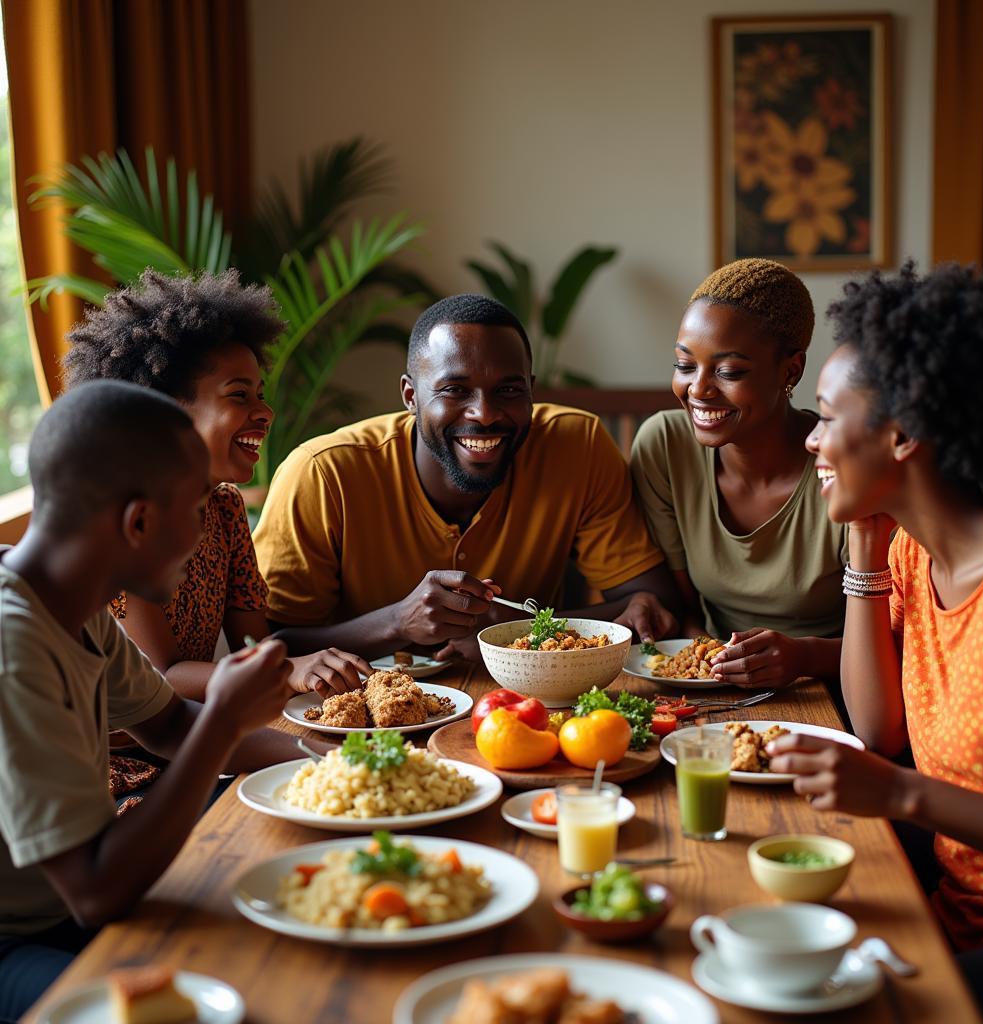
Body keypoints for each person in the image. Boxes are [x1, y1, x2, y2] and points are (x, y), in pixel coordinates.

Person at [0, 381, 330, 1020]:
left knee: (276, 945)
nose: (205, 529)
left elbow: (172, 724)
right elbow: (96, 892)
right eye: (197, 506)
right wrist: (228, 718)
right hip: (19, 939)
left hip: (71, 909)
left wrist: (330, 765)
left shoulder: (75, 603)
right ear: (139, 521)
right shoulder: (15, 648)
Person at [765, 263, 983, 1023]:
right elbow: (878, 731)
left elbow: (889, 769)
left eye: (824, 416)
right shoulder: (912, 553)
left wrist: (901, 793)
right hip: (955, 904)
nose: (810, 439)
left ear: (903, 434)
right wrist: (866, 555)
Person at [253, 293, 680, 660]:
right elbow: (264, 645)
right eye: (454, 390)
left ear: (531, 390)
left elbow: (651, 606)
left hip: (526, 707)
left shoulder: (577, 446)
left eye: (509, 390)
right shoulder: (323, 473)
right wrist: (398, 622)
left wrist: (519, 629)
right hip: (362, 719)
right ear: (410, 396)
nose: (485, 413)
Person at [62, 270, 370, 701]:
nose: (266, 413)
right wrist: (287, 671)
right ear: (166, 412)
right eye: (239, 395)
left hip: (196, 730)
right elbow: (162, 676)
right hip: (118, 757)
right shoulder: (127, 521)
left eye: (260, 395)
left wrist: (308, 666)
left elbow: (253, 650)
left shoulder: (224, 508)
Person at [630, 258, 846, 687]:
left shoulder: (840, 466)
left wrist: (803, 656)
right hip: (712, 680)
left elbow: (902, 637)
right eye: (684, 364)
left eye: (729, 372)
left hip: (832, 686)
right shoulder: (665, 447)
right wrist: (704, 652)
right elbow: (682, 605)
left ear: (791, 371)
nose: (698, 390)